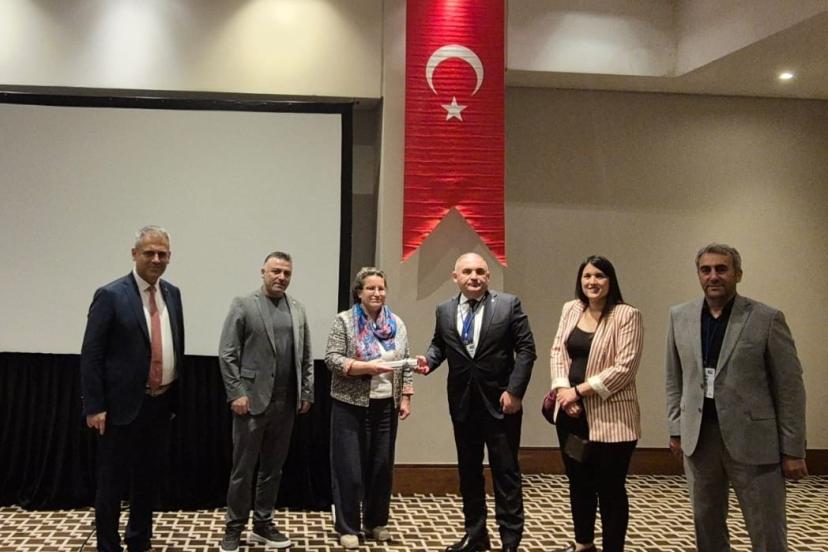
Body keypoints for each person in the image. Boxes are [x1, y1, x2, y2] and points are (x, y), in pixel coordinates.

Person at [665, 243, 808, 552]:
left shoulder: (766, 318)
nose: (713, 276)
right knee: (707, 527)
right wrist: (676, 429)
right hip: (699, 441)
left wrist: (793, 449)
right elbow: (674, 379)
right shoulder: (680, 316)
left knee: (767, 530)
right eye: (706, 270)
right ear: (698, 275)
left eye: (721, 269)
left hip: (755, 442)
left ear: (738, 274)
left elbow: (790, 388)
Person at [416, 252, 536, 552]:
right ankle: (476, 534)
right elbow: (439, 345)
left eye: (480, 271)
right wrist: (428, 361)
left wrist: (515, 391)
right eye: (467, 271)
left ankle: (510, 541)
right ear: (455, 277)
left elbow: (526, 350)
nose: (474, 277)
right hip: (463, 404)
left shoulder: (508, 305)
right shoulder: (444, 310)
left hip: (501, 404)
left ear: (488, 276)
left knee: (505, 473)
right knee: (468, 471)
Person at [80, 225, 185, 552]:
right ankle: (108, 546)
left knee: (147, 479)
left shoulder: (173, 293)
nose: (156, 259)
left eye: (162, 254)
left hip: (159, 404)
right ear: (134, 254)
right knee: (111, 483)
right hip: (120, 408)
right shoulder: (111, 295)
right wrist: (95, 406)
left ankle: (139, 540)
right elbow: (92, 354)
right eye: (149, 252)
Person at [218, 251, 314, 552]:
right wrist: (236, 392)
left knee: (273, 470)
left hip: (286, 404)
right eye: (276, 271)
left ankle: (263, 523)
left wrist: (307, 392)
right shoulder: (244, 304)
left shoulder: (297, 309)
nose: (281, 277)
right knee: (243, 470)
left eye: (286, 273)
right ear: (263, 272)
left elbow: (306, 356)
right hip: (251, 403)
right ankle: (234, 528)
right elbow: (227, 353)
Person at [549, 256, 643, 552]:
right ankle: (584, 545)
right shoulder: (571, 308)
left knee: (610, 489)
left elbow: (624, 368)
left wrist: (578, 392)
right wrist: (563, 392)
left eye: (599, 276)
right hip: (571, 417)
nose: (592, 282)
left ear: (611, 280)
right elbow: (557, 352)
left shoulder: (627, 315)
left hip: (612, 420)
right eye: (587, 276)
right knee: (579, 483)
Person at [324, 267, 415, 549]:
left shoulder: (397, 323)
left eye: (381, 288)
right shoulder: (344, 321)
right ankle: (348, 527)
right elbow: (332, 359)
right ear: (359, 293)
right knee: (349, 470)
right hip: (350, 405)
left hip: (386, 405)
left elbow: (406, 361)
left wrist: (406, 397)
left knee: (381, 468)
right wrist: (364, 367)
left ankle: (376, 522)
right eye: (371, 288)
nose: (377, 293)